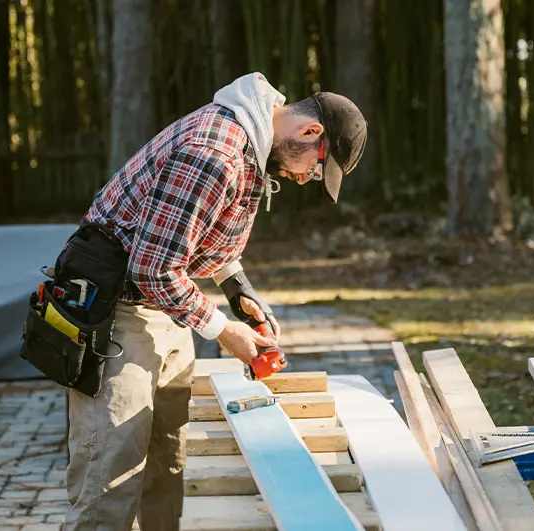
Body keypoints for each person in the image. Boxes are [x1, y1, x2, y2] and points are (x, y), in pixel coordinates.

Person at [64, 72, 367, 530]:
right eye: (315, 168)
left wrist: (235, 285)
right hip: (116, 314)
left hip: (163, 310)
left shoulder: (252, 146)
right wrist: (224, 330)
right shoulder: (216, 154)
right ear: (310, 132)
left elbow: (198, 230)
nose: (306, 179)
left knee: (166, 468)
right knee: (111, 479)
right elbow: (153, 268)